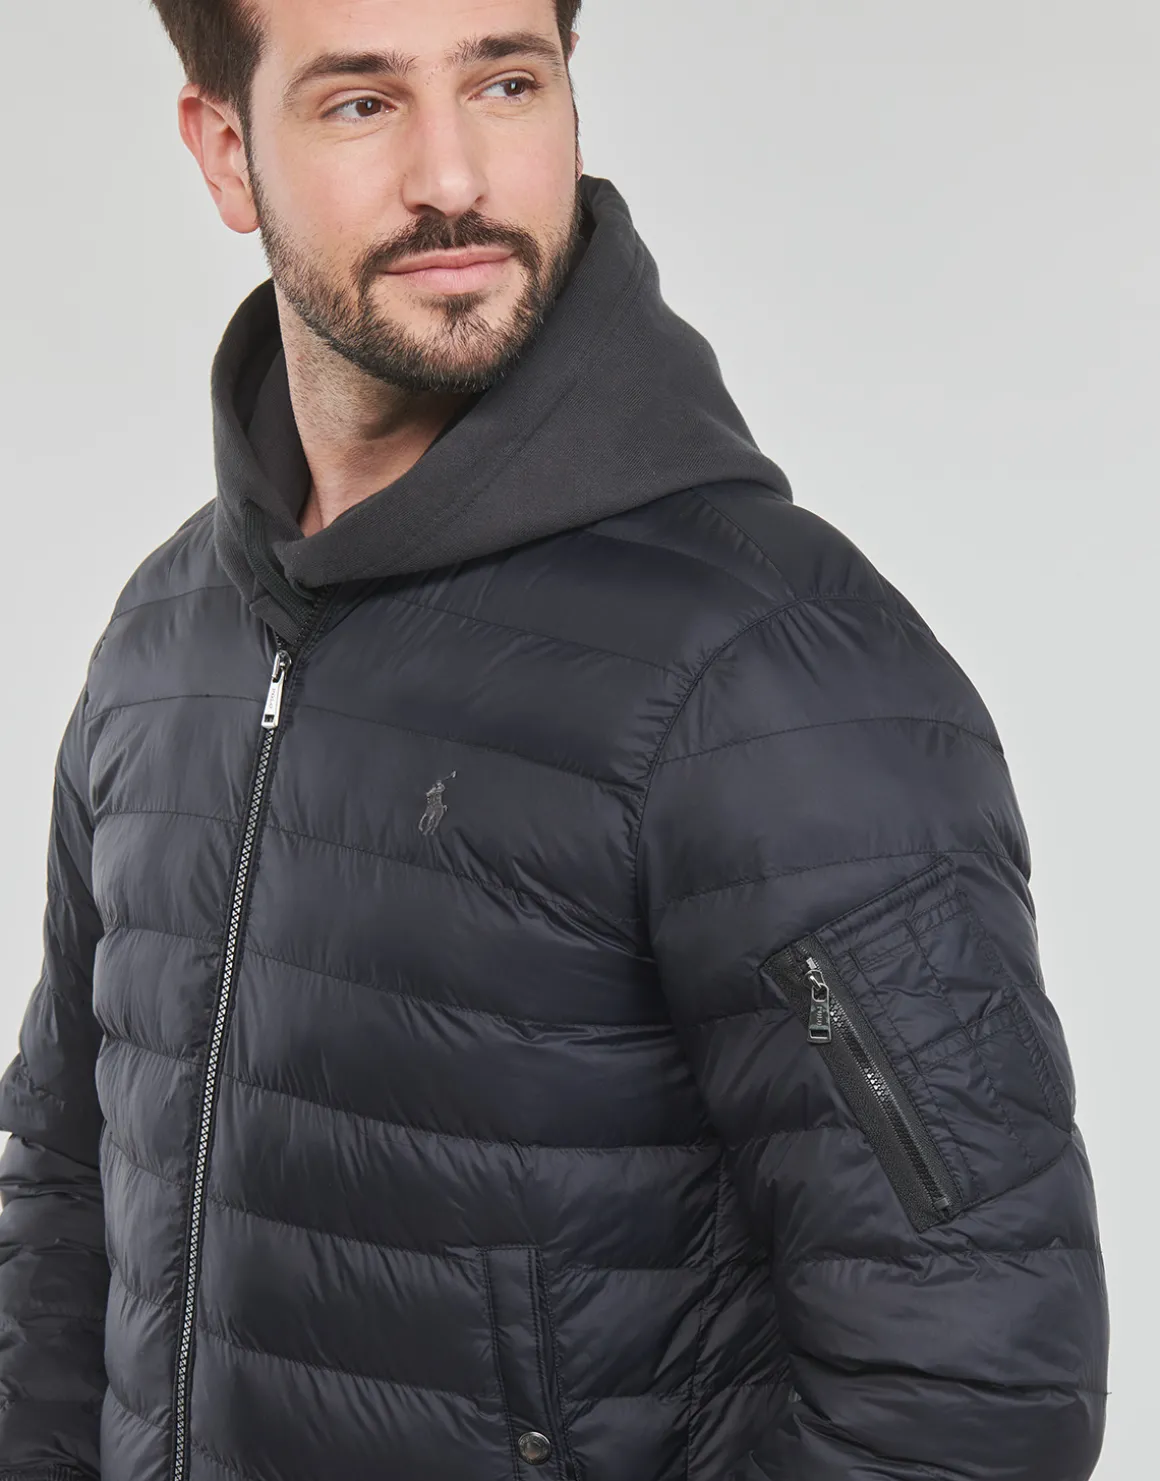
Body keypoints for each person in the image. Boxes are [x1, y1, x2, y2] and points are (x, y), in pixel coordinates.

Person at [0, 2, 1108, 1479]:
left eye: (507, 82)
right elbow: (65, 1198)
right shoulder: (164, 646)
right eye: (361, 103)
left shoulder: (765, 668)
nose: (454, 176)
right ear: (223, 151)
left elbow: (971, 1392)